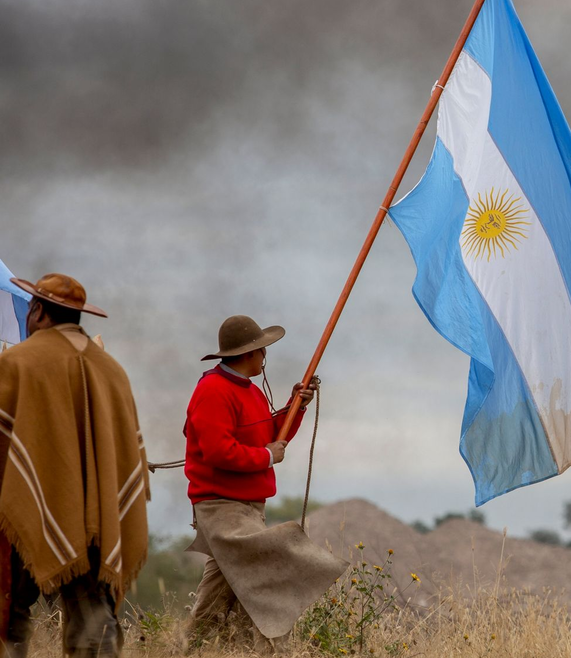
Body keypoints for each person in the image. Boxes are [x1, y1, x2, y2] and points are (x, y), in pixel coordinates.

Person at [0, 273, 149, 658]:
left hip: (24, 507)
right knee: (93, 615)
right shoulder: (111, 369)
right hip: (98, 512)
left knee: (8, 607)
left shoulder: (18, 361)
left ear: (36, 311)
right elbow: (128, 450)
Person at [183, 314, 343, 649]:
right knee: (271, 571)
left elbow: (272, 437)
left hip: (247, 508)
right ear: (248, 354)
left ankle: (196, 650)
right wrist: (266, 457)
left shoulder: (250, 392)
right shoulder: (213, 390)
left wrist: (295, 408)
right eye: (261, 350)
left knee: (221, 594)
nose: (264, 355)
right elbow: (218, 452)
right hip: (221, 506)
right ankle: (274, 650)